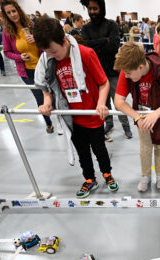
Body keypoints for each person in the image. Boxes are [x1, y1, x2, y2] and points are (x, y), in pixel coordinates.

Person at [33, 17, 118, 199]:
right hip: (72, 118)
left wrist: (101, 103)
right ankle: (89, 179)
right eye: (48, 53)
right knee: (82, 153)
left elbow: (104, 84)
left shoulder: (86, 54)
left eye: (54, 51)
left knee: (100, 150)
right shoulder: (50, 60)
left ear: (64, 40)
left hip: (92, 117)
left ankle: (107, 174)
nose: (52, 56)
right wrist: (47, 102)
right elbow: (48, 88)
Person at [113, 42, 160, 192]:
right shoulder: (127, 68)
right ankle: (145, 176)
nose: (125, 76)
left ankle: (159, 174)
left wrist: (156, 113)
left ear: (140, 67)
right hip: (142, 118)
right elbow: (118, 101)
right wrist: (137, 117)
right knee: (145, 148)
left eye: (128, 73)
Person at [80, 0, 132, 141]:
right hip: (96, 75)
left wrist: (96, 46)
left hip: (113, 72)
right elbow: (86, 47)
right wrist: (104, 40)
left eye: (95, 8)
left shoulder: (111, 25)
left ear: (101, 8)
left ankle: (126, 126)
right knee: (104, 103)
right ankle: (108, 124)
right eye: (90, 9)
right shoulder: (85, 29)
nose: (92, 12)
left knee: (119, 102)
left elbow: (114, 46)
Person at [1, 0, 54, 134]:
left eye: (14, 11)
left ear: (18, 10)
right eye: (9, 13)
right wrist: (19, 57)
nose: (13, 14)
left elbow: (46, 43)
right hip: (27, 72)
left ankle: (63, 120)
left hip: (43, 67)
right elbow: (7, 52)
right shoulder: (7, 32)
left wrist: (36, 40)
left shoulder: (31, 25)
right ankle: (49, 123)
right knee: (40, 98)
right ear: (6, 15)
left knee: (54, 94)